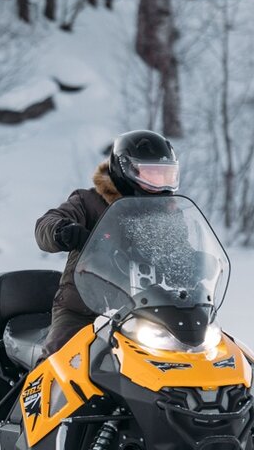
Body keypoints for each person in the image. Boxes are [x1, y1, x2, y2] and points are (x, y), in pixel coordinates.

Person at [34, 129, 180, 356]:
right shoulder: (89, 202)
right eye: (150, 174)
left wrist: (199, 264)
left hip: (149, 311)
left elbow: (182, 253)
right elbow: (46, 224)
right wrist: (61, 231)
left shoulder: (168, 215)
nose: (159, 183)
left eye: (165, 175)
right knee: (60, 357)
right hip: (84, 310)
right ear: (125, 169)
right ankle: (39, 388)